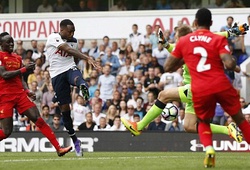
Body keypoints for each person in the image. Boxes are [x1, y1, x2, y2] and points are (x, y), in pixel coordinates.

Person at [121, 12, 249, 167]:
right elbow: (217, 36)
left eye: (176, 36)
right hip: (207, 87)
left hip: (197, 87)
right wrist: (235, 31)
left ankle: (139, 126)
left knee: (163, 94)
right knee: (189, 126)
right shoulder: (200, 41)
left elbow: (170, 61)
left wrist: (167, 48)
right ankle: (228, 130)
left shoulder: (186, 44)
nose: (175, 39)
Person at [164, 8, 250, 168]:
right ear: (211, 23)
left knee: (203, 121)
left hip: (200, 88)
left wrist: (182, 59)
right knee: (240, 120)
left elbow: (167, 66)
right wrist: (230, 64)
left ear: (195, 23)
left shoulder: (185, 41)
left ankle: (209, 149)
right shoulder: (216, 38)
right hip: (220, 84)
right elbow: (230, 64)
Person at [0, 32, 71, 156]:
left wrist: (27, 91)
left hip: (20, 95)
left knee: (38, 119)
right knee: (6, 132)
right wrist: (24, 69)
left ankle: (59, 148)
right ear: (1, 44)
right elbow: (5, 75)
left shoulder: (17, 58)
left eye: (12, 41)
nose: (11, 44)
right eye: (8, 42)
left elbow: (20, 78)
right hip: (5, 97)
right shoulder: (0, 57)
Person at [45, 19, 100, 156]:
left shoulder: (73, 40)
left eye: (73, 31)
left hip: (69, 68)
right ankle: (75, 140)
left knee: (76, 77)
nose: (72, 34)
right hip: (57, 75)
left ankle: (82, 85)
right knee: (65, 111)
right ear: (62, 30)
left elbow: (72, 55)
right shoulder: (53, 37)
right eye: (70, 31)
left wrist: (83, 60)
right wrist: (87, 57)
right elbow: (67, 49)